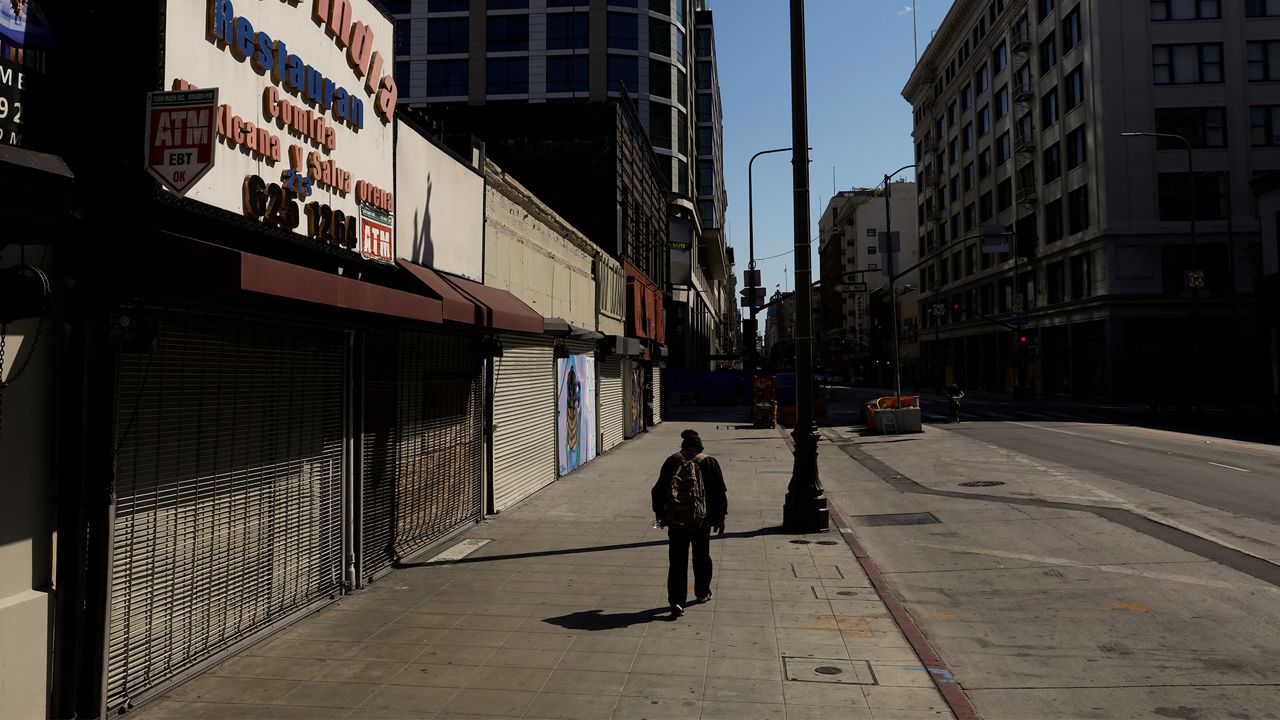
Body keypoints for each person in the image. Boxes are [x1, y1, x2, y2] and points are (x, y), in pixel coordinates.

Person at [651, 430, 727, 618]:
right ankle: (701, 593)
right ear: (699, 448)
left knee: (677, 561)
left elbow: (657, 490)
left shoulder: (672, 461)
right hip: (702, 522)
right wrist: (720, 518)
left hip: (676, 522)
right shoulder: (709, 462)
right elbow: (719, 494)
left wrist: (661, 515)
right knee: (702, 557)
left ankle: (676, 600)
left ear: (684, 447)